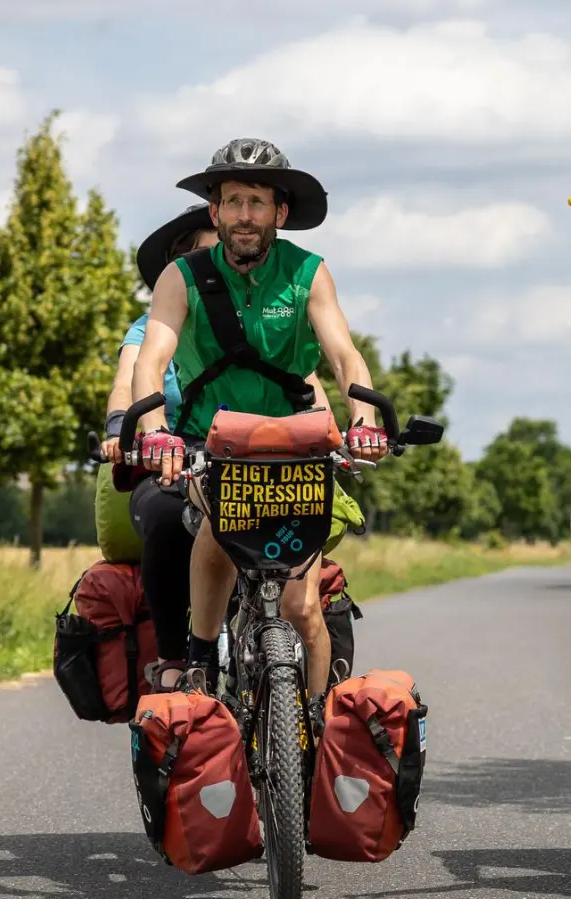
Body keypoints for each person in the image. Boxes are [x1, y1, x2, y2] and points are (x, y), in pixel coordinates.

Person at [128, 138, 388, 708]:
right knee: (220, 522)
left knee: (301, 609)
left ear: (280, 212)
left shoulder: (309, 274)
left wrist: (364, 419)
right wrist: (154, 433)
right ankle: (197, 660)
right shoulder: (182, 277)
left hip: (294, 442)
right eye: (233, 201)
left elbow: (344, 356)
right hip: (210, 439)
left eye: (258, 202)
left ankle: (315, 733)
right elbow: (151, 358)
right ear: (215, 212)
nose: (245, 215)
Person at [101, 203, 337, 690]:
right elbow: (129, 383)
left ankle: (311, 716)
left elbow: (306, 384)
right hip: (177, 459)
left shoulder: (271, 325)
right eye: (204, 254)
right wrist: (123, 427)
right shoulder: (152, 328)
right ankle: (175, 658)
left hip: (267, 460)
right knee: (168, 520)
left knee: (302, 592)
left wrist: (332, 432)